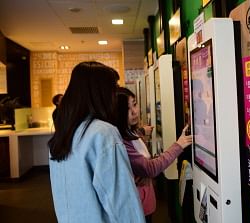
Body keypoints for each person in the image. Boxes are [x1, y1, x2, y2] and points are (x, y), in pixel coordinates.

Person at [48, 62, 145, 223]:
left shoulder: (62, 136)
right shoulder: (103, 133)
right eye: (113, 88)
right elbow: (121, 201)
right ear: (100, 93)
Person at [115, 87, 192, 223]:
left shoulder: (131, 133)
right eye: (127, 109)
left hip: (144, 203)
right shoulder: (122, 139)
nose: (134, 112)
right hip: (138, 207)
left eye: (134, 104)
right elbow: (150, 168)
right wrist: (178, 145)